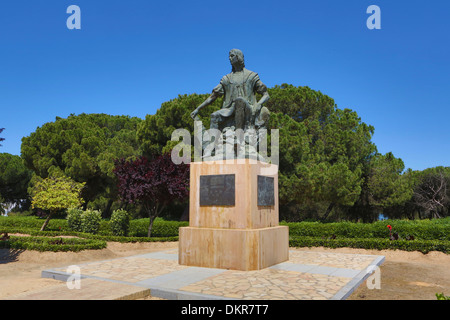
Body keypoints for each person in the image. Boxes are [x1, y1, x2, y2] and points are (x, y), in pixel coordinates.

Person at [190, 49, 270, 131]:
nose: (229, 58)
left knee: (239, 100)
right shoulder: (226, 79)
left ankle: (239, 135)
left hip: (248, 108)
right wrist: (198, 109)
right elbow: (213, 96)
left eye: (232, 56)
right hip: (230, 110)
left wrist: (258, 104)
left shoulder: (251, 76)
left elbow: (266, 95)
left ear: (238, 57)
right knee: (214, 116)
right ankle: (212, 142)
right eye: (229, 56)